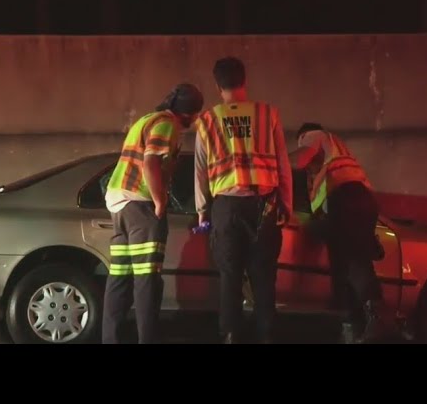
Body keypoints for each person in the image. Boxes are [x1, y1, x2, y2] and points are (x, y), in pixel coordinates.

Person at [194, 56, 292, 344]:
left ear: (217, 86)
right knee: (263, 276)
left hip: (226, 205)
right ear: (245, 80)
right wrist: (286, 203)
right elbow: (283, 164)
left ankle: (232, 335)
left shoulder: (208, 120)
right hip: (264, 204)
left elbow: (200, 169)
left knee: (230, 276)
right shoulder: (267, 114)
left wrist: (203, 211)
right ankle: (267, 335)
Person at [102, 82, 204, 344]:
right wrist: (159, 201)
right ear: (189, 113)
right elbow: (151, 162)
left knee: (120, 279)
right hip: (140, 202)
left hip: (119, 202)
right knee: (147, 280)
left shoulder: (146, 119)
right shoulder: (166, 124)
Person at [289, 122, 386, 344]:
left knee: (353, 258)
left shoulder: (314, 135)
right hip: (360, 201)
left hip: (347, 200)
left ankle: (375, 316)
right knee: (345, 259)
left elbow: (300, 159)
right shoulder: (335, 155)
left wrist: (271, 163)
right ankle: (356, 323)